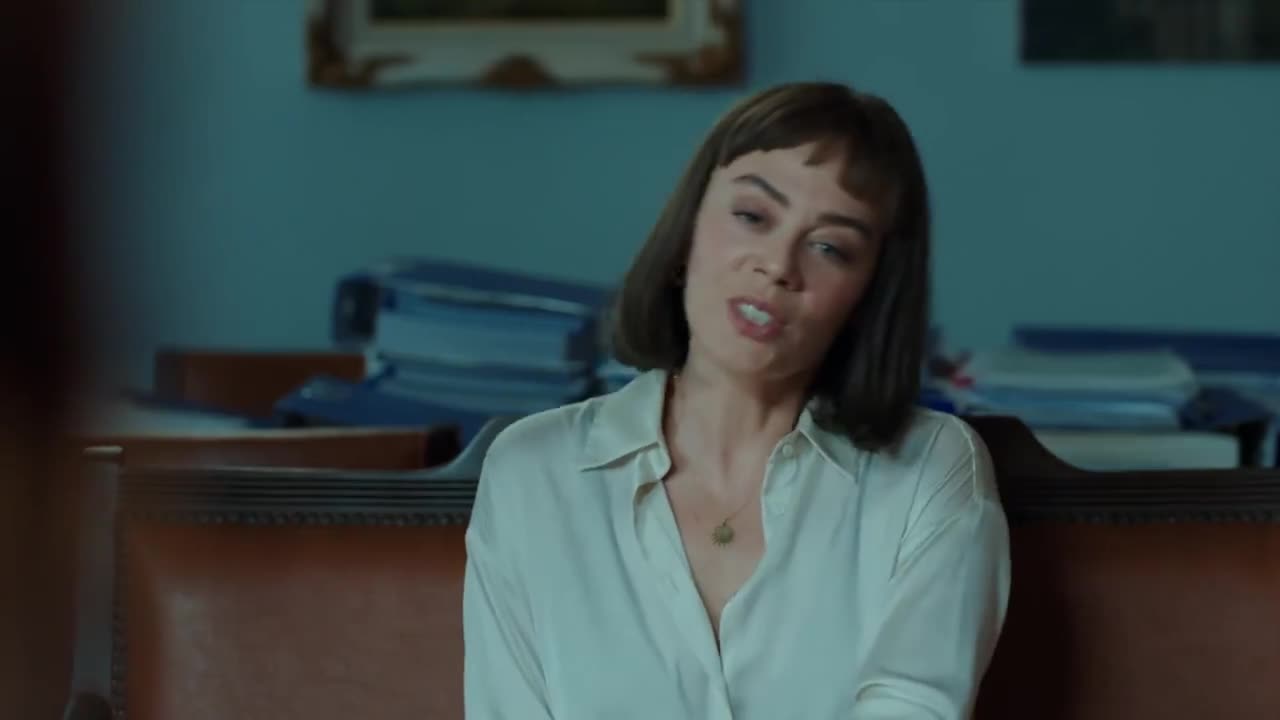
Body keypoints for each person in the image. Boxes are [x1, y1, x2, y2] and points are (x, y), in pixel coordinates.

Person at [463, 81, 1011, 719]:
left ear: (868, 297)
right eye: (753, 216)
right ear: (686, 235)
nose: (778, 265)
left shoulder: (928, 471)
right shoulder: (533, 473)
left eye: (830, 247)